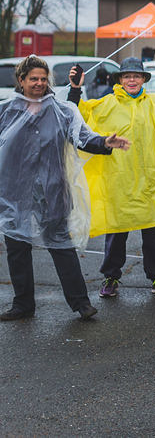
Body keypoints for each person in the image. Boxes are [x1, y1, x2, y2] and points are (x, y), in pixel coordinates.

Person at [68, 56, 155, 299]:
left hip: (150, 183)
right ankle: (111, 277)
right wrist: (75, 88)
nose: (132, 79)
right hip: (119, 183)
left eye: (136, 75)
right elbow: (75, 115)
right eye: (127, 76)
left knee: (154, 238)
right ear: (120, 79)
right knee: (116, 234)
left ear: (144, 79)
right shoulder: (105, 105)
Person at [0, 56, 130, 321]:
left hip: (52, 191)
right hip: (14, 195)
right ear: (21, 80)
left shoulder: (61, 110)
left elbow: (82, 137)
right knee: (17, 250)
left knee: (62, 247)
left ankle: (80, 303)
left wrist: (105, 142)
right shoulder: (7, 111)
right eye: (33, 79)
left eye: (42, 78)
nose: (38, 83)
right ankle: (23, 304)